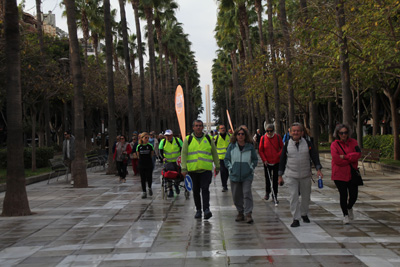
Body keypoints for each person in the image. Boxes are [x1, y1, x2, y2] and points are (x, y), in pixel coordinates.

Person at [278, 122, 323, 227]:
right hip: (291, 175)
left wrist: (318, 169)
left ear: (302, 132)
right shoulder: (287, 144)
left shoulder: (308, 143)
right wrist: (280, 175)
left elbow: (314, 156)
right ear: (290, 132)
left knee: (306, 197)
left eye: (298, 131)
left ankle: (303, 213)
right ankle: (296, 218)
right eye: (294, 131)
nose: (296, 132)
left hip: (305, 175)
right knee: (293, 196)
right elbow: (282, 160)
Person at [181, 120, 220, 220]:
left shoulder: (208, 138)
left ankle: (206, 209)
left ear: (203, 128)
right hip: (193, 170)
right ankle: (198, 210)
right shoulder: (188, 139)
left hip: (205, 170)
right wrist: (183, 168)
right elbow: (184, 154)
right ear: (193, 127)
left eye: (200, 126)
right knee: (196, 191)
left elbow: (214, 153)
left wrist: (217, 165)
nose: (198, 127)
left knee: (205, 189)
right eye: (196, 126)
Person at [224, 126, 258, 224]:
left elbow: (255, 159)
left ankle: (248, 213)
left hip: (247, 175)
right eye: (238, 134)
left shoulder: (250, 147)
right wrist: (231, 168)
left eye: (242, 134)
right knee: (236, 195)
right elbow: (226, 159)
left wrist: (251, 168)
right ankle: (240, 212)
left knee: (247, 193)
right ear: (236, 135)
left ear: (245, 135)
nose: (240, 136)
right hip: (234, 175)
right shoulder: (231, 146)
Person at [331, 124, 361, 224]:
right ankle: (345, 215)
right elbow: (337, 160)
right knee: (343, 195)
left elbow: (358, 154)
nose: (344, 135)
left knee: (354, 196)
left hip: (352, 173)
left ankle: (349, 207)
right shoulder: (334, 144)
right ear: (338, 134)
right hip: (339, 174)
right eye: (341, 133)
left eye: (346, 132)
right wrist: (350, 159)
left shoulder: (354, 142)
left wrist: (345, 157)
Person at [258, 124, 283, 203]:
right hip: (267, 162)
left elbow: (282, 147)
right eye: (267, 131)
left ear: (273, 130)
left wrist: (278, 154)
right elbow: (260, 150)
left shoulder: (278, 137)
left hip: (276, 161)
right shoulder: (263, 138)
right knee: (267, 178)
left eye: (271, 131)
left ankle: (274, 195)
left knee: (275, 179)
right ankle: (267, 192)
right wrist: (264, 159)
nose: (269, 132)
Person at [159, 129, 183, 197]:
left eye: (169, 136)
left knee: (178, 175)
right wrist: (162, 158)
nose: (167, 137)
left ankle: (176, 185)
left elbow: (182, 149)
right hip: (168, 162)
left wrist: (181, 157)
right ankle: (170, 190)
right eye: (166, 136)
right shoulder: (163, 142)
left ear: (172, 135)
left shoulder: (178, 140)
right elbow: (160, 151)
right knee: (168, 176)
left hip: (177, 162)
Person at [136, 132, 154, 199]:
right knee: (142, 178)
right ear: (142, 138)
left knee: (149, 177)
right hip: (141, 164)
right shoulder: (139, 146)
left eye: (148, 138)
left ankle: (149, 187)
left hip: (148, 164)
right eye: (145, 138)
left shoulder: (150, 146)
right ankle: (144, 191)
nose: (147, 139)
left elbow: (151, 155)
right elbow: (138, 155)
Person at [215, 125, 231, 192]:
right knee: (223, 171)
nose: (223, 129)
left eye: (224, 128)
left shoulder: (230, 136)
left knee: (228, 172)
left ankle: (228, 183)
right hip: (221, 158)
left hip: (229, 158)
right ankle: (224, 185)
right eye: (221, 128)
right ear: (219, 130)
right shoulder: (216, 138)